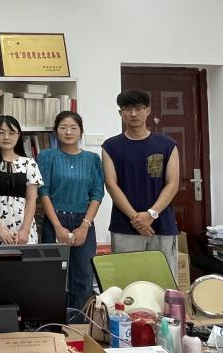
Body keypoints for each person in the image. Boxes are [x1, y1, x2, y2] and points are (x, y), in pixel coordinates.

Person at [102, 89, 180, 274]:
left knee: (164, 280)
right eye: (127, 109)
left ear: (148, 111)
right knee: (127, 281)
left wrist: (151, 214)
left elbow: (172, 184)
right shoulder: (110, 146)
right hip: (125, 226)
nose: (133, 113)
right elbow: (111, 185)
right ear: (121, 113)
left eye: (138, 108)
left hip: (162, 225)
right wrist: (136, 219)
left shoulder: (167, 144)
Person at [37, 111, 105, 320]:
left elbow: (97, 194)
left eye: (73, 128)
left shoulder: (92, 159)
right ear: (56, 131)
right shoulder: (47, 157)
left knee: (83, 275)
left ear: (80, 131)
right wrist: (57, 226)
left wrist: (85, 226)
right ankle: (53, 324)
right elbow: (43, 192)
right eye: (63, 127)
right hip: (55, 220)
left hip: (83, 221)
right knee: (53, 275)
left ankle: (79, 325)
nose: (68, 132)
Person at [0, 115, 42, 246]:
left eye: (11, 133)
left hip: (22, 227)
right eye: (1, 132)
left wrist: (25, 230)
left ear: (19, 136)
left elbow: (31, 199)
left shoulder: (29, 163)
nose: (6, 137)